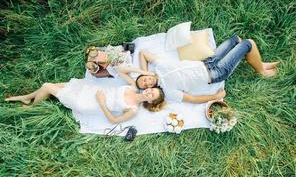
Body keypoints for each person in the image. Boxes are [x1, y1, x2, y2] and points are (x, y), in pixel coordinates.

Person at [123, 36, 279, 104]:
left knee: (236, 40)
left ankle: (259, 62)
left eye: (143, 79)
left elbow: (143, 53)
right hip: (215, 72)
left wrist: (144, 72)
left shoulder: (159, 67)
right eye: (145, 85)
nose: (146, 81)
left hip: (207, 61)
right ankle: (261, 71)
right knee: (247, 43)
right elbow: (194, 99)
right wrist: (215, 96)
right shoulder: (168, 92)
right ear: (151, 89)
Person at [5, 78, 165, 124]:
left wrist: (102, 103)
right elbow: (123, 71)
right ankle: (27, 98)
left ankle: (31, 105)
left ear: (150, 102)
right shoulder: (132, 87)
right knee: (51, 86)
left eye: (152, 95)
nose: (149, 91)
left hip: (89, 103)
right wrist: (144, 73)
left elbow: (114, 120)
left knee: (47, 86)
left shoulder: (133, 109)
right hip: (89, 90)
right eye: (151, 89)